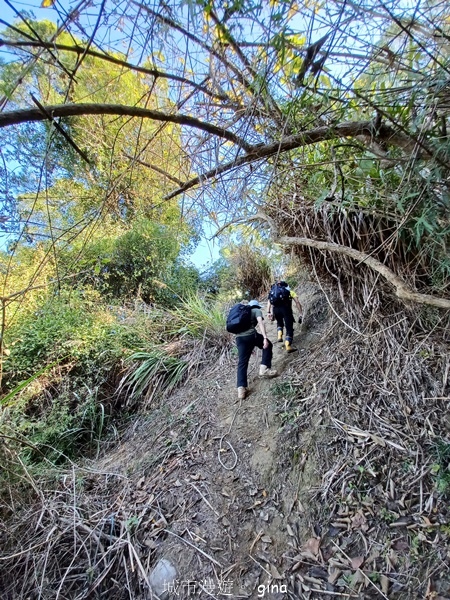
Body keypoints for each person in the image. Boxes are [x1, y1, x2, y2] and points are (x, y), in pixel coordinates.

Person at [235, 299, 278, 400]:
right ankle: (264, 369)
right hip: (251, 336)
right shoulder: (255, 310)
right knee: (269, 345)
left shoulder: (242, 313)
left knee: (242, 362)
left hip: (239, 339)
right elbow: (260, 323)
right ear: (257, 306)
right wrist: (265, 338)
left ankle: (241, 389)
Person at [266, 280, 303, 353]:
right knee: (289, 328)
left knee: (279, 323)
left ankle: (279, 336)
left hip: (276, 310)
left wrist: (268, 312)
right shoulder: (290, 292)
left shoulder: (273, 292)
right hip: (286, 310)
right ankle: (288, 345)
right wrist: (300, 312)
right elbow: (297, 302)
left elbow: (269, 303)